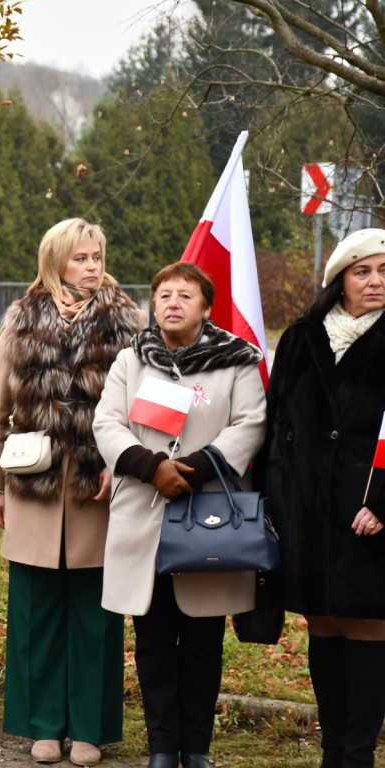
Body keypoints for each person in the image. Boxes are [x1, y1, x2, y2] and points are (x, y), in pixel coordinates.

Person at [0, 218, 145, 766]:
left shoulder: (127, 321)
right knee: (35, 613)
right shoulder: (21, 319)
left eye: (98, 256)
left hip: (99, 489)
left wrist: (123, 467)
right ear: (55, 261)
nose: (93, 266)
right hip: (33, 485)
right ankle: (43, 725)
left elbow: (142, 412)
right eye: (81, 258)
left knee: (95, 615)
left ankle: (91, 730)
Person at [93, 261, 266, 768]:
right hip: (143, 514)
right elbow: (107, 422)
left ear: (206, 307)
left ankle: (198, 750)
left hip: (208, 514)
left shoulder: (235, 361)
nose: (172, 302)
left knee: (202, 641)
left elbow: (249, 424)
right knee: (151, 640)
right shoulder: (132, 359)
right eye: (163, 294)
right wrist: (151, 468)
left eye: (184, 295)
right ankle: (162, 748)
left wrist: (186, 470)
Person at [257, 229, 385, 768]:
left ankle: (357, 753)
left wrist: (384, 504)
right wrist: (276, 501)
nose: (375, 281)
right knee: (324, 624)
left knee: (368, 624)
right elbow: (276, 422)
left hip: (369, 513)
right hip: (306, 512)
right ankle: (333, 750)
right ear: (340, 280)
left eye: (384, 272)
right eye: (363, 271)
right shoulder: (301, 337)